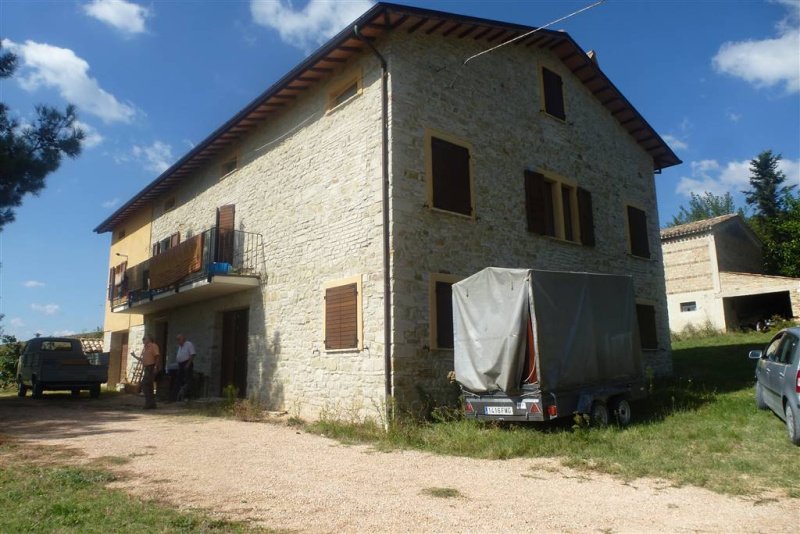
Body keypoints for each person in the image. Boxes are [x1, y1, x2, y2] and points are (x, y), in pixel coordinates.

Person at [140, 334, 161, 409]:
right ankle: (152, 404)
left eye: (144, 338)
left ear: (149, 339)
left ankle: (149, 403)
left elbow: (157, 356)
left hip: (151, 367)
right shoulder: (145, 348)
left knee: (145, 384)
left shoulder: (153, 346)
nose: (143, 340)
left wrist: (156, 367)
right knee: (149, 386)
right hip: (147, 368)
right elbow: (143, 359)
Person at [175, 334, 196, 400]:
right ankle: (179, 396)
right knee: (180, 379)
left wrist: (188, 364)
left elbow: (192, 354)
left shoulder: (188, 344)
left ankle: (189, 396)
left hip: (187, 363)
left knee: (188, 379)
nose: (178, 341)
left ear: (183, 339)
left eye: (179, 340)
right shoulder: (180, 346)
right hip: (181, 364)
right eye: (177, 340)